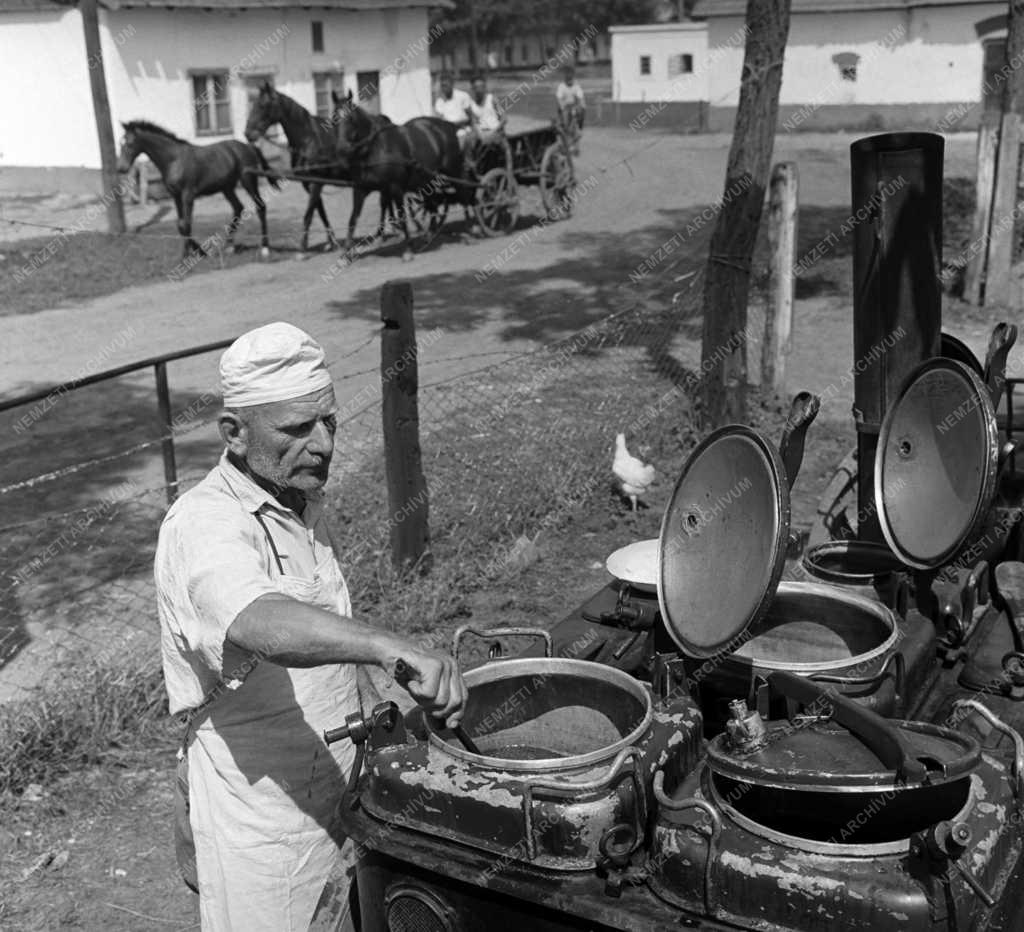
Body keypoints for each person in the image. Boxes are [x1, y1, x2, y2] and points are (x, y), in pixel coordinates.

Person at [155, 322, 467, 932]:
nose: (322, 444)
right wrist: (387, 645)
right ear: (235, 434)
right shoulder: (203, 524)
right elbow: (259, 621)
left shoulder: (298, 502)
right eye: (297, 429)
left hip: (337, 785)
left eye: (328, 421)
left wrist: (389, 725)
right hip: (262, 819)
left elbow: (327, 641)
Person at [433, 70, 474, 152]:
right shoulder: (439, 101)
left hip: (463, 129)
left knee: (460, 141)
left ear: (452, 84)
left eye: (446, 85)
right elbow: (439, 119)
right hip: (447, 131)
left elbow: (470, 117)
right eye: (442, 85)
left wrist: (457, 124)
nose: (444, 88)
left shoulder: (462, 96)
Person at [555, 66, 585, 154]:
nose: (569, 81)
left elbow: (580, 98)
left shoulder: (576, 86)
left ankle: (578, 135)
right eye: (568, 78)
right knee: (565, 120)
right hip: (565, 107)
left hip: (574, 106)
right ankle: (565, 136)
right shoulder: (561, 87)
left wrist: (580, 106)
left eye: (571, 78)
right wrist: (562, 106)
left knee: (580, 114)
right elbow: (559, 99)